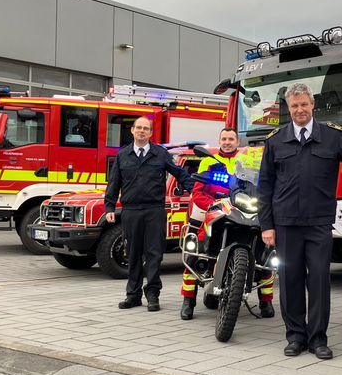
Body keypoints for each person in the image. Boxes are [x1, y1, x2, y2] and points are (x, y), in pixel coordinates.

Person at [258, 82, 342, 360]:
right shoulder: (275, 140)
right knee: (290, 280)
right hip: (285, 223)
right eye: (294, 105)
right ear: (289, 108)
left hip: (319, 222)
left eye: (304, 104)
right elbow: (265, 186)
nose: (299, 110)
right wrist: (267, 225)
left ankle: (318, 339)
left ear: (312, 105)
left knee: (319, 281)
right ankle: (295, 337)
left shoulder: (332, 136)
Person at [180, 127, 275, 320]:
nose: (227, 142)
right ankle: (188, 301)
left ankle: (266, 301)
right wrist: (211, 204)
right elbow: (198, 191)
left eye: (231, 139)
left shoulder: (248, 160)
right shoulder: (208, 160)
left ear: (238, 142)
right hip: (217, 207)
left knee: (265, 254)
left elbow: (259, 182)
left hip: (244, 207)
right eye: (224, 139)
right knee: (195, 252)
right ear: (219, 141)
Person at [105, 115, 194, 311]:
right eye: (139, 128)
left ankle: (153, 294)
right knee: (133, 253)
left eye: (146, 128)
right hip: (130, 211)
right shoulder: (122, 155)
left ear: (151, 133)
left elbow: (180, 174)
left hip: (154, 210)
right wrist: (109, 207)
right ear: (133, 130)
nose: (142, 131)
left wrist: (195, 190)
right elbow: (114, 183)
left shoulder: (161, 154)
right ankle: (133, 295)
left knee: (154, 254)